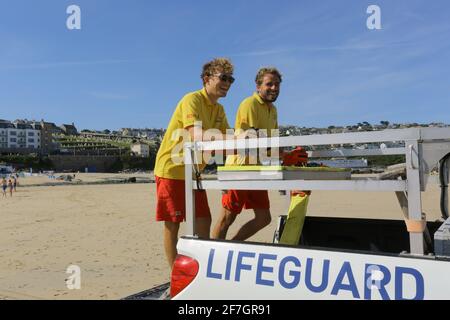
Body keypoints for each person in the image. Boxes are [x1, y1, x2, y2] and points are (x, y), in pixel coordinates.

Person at [154, 58, 234, 269]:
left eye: (230, 79)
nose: (227, 83)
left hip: (194, 172)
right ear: (207, 79)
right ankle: (175, 276)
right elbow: (197, 135)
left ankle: (199, 269)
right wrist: (235, 138)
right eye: (223, 78)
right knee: (173, 223)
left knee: (203, 220)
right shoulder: (192, 99)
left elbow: (228, 140)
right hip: (172, 168)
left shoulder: (219, 110)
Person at [212, 67, 282, 240]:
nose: (274, 88)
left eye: (277, 84)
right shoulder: (249, 104)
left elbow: (270, 143)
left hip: (256, 169)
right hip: (239, 168)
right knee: (227, 218)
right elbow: (251, 137)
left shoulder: (273, 110)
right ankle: (212, 253)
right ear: (258, 86)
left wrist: (283, 155)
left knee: (264, 218)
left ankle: (233, 244)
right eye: (269, 84)